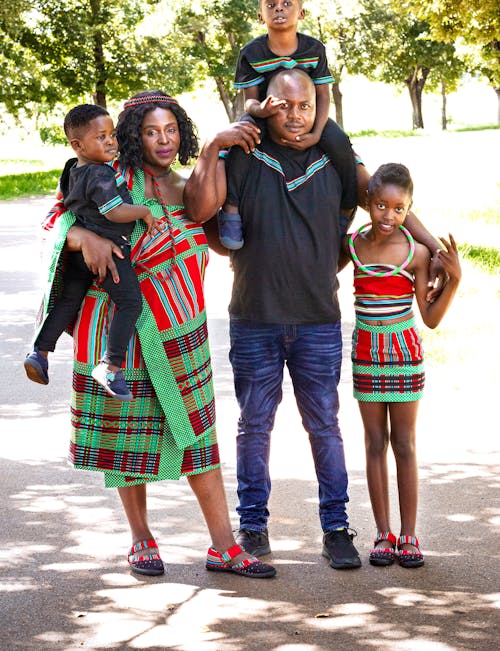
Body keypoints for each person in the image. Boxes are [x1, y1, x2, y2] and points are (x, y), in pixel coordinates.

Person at [184, 68, 447, 571]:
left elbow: (388, 206)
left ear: (319, 109)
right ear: (263, 105)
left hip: (317, 320)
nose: (296, 114)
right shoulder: (243, 154)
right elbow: (200, 212)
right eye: (284, 104)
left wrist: (433, 251)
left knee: (324, 426)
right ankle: (253, 526)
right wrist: (217, 141)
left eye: (306, 105)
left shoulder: (336, 159)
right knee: (254, 426)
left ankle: (335, 528)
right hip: (255, 315)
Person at [36, 90, 275, 579]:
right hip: (118, 334)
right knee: (127, 443)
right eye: (151, 131)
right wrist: (89, 237)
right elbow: (54, 224)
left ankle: (224, 547)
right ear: (133, 135)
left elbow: (216, 232)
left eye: (170, 130)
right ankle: (141, 538)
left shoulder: (190, 188)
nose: (162, 141)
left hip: (181, 330)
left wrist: (215, 149)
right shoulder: (108, 178)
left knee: (198, 439)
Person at [340, 163, 461, 568]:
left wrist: (454, 282)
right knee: (374, 443)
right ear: (368, 204)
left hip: (404, 354)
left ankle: (409, 535)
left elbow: (429, 317)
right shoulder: (353, 246)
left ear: (408, 209)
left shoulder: (417, 252)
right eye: (379, 206)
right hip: (366, 355)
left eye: (397, 208)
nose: (388, 216)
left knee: (404, 443)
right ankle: (382, 534)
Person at [24, 104, 163, 401]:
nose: (111, 141)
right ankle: (111, 366)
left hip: (78, 255)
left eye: (112, 135)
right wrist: (144, 212)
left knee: (68, 300)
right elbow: (114, 212)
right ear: (78, 144)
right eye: (102, 137)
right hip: (110, 252)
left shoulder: (71, 169)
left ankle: (40, 351)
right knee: (129, 302)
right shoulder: (101, 174)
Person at [218, 0, 358, 250]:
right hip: (264, 113)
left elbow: (322, 93)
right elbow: (249, 102)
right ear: (261, 15)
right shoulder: (252, 52)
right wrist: (263, 110)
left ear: (301, 12)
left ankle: (347, 206)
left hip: (302, 112)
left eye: (286, 3)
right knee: (238, 146)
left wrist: (317, 133)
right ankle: (231, 209)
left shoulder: (313, 49)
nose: (279, 9)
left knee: (341, 143)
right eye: (271, 5)